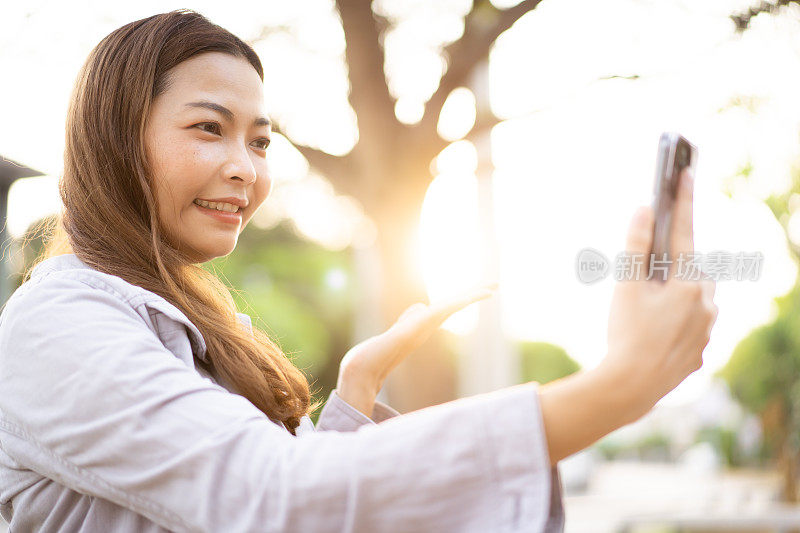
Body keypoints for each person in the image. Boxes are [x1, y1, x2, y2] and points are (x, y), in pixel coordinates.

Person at [0, 9, 717, 533]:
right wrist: (619, 387)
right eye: (208, 128)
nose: (245, 169)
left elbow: (275, 501)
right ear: (115, 139)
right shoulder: (55, 326)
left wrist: (354, 389)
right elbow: (272, 497)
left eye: (259, 140)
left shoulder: (197, 320)